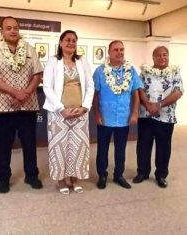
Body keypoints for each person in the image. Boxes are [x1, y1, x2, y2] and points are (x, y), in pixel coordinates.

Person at [0, 16, 43, 193]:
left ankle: (31, 175)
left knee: (30, 143)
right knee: (4, 145)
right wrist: (15, 92)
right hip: (4, 107)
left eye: (15, 27)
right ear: (1, 31)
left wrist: (25, 94)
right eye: (8, 28)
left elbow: (37, 74)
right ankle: (3, 178)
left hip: (28, 105)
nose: (12, 30)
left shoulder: (30, 50)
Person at [43, 30, 94, 194]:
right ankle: (61, 180)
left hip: (80, 114)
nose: (71, 43)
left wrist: (85, 107)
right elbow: (47, 87)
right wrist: (61, 109)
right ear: (60, 42)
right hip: (59, 114)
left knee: (78, 147)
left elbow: (90, 86)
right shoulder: (53, 62)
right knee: (59, 147)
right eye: (67, 40)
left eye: (74, 40)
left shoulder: (82, 61)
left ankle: (75, 178)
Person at [93, 40, 142, 190]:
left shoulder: (131, 71)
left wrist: (134, 112)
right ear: (109, 52)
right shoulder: (100, 72)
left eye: (122, 49)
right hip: (105, 118)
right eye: (116, 50)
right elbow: (95, 95)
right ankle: (102, 175)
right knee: (102, 148)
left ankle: (118, 175)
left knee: (121, 148)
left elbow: (136, 93)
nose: (119, 52)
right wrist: (96, 113)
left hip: (123, 118)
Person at [133, 46, 183, 188]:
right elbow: (139, 89)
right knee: (143, 145)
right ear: (153, 57)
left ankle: (161, 175)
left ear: (168, 56)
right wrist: (148, 105)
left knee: (164, 147)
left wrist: (159, 105)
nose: (162, 57)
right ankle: (142, 172)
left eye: (165, 55)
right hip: (146, 115)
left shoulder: (175, 73)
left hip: (166, 117)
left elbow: (178, 92)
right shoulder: (145, 73)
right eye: (159, 55)